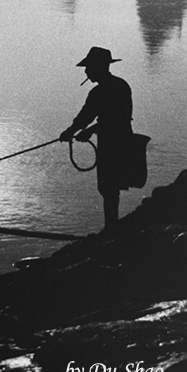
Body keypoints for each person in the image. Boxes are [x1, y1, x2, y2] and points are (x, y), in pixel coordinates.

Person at [59, 47, 134, 234]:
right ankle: (111, 227)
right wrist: (71, 131)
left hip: (115, 142)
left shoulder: (108, 90)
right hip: (113, 141)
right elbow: (85, 117)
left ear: (99, 67)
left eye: (89, 67)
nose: (86, 71)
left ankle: (111, 230)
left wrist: (88, 130)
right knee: (109, 187)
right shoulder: (116, 86)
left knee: (109, 186)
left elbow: (118, 119)